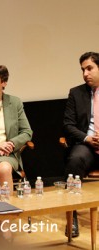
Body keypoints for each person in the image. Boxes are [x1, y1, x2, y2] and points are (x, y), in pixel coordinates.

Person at [63, 51, 99, 237]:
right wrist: (87, 138)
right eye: (83, 70)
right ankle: (72, 216)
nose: (85, 73)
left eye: (89, 68)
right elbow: (68, 125)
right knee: (75, 160)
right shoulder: (76, 93)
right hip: (87, 145)